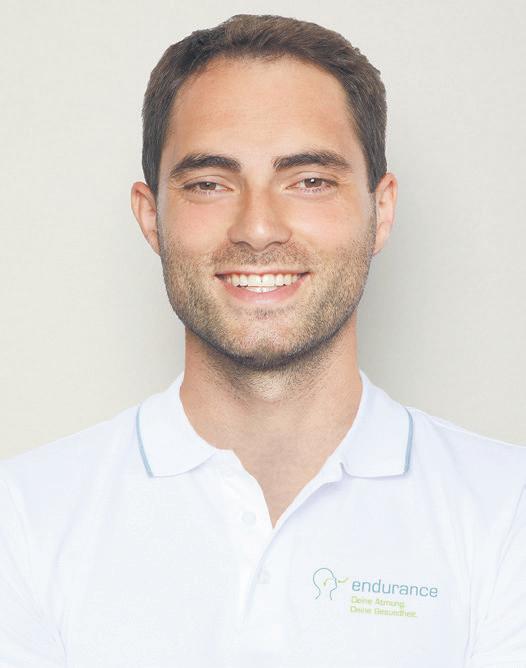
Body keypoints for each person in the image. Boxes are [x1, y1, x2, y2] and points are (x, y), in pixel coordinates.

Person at [0, 13, 524, 668]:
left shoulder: (508, 510)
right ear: (151, 217)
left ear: (381, 209)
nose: (256, 228)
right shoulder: (21, 517)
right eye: (209, 184)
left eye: (309, 180)